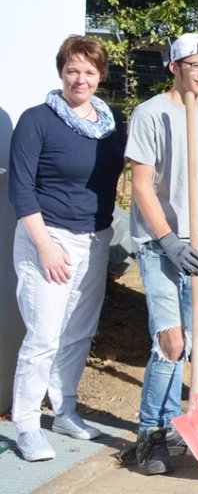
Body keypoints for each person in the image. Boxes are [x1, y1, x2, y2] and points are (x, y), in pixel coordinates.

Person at [8, 35, 126, 462]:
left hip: (94, 239)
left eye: (89, 72)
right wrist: (45, 247)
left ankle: (64, 411)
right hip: (47, 237)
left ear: (101, 76)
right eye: (72, 70)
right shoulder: (36, 120)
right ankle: (26, 423)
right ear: (61, 72)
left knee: (79, 331)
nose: (80, 79)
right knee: (43, 335)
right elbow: (20, 188)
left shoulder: (111, 124)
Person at [125, 33, 198, 474]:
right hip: (159, 244)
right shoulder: (150, 114)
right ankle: (149, 435)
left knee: (187, 342)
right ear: (174, 67)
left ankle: (171, 423)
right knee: (170, 343)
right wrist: (168, 240)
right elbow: (141, 185)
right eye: (195, 65)